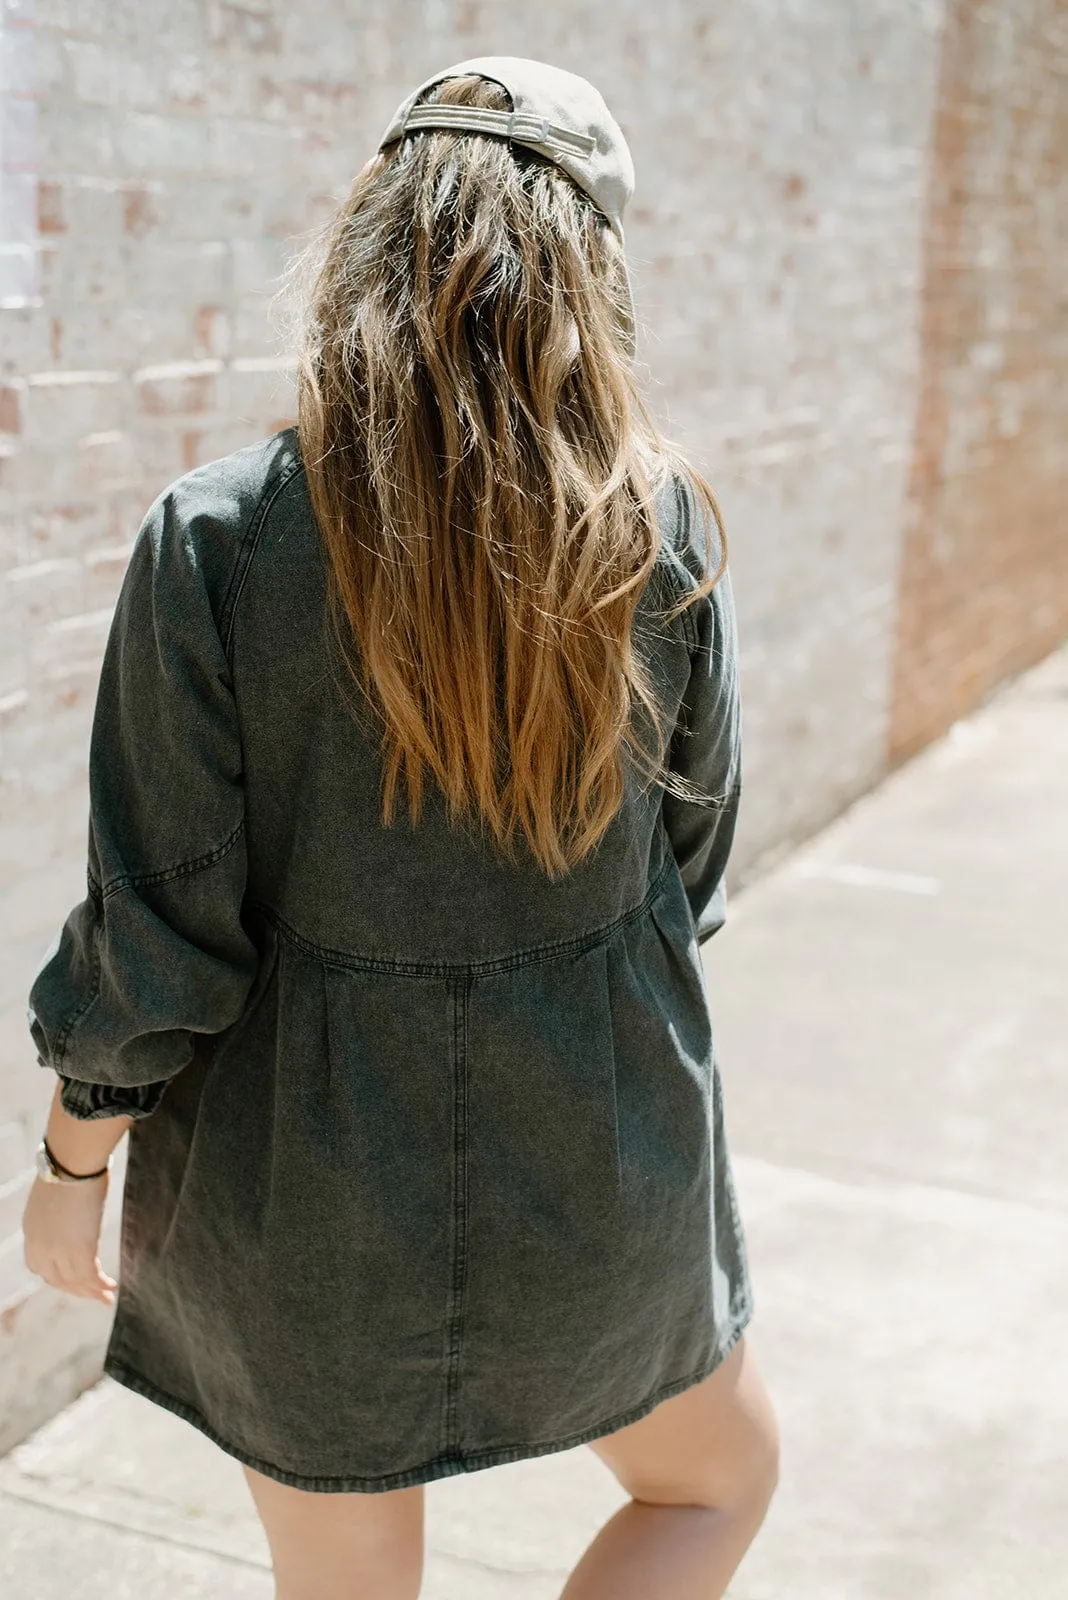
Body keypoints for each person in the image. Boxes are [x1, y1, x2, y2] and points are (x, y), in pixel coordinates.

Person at [21, 55, 779, 1600]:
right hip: (602, 1151)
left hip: (311, 1197)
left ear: (371, 244)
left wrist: (72, 1155)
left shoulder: (221, 540)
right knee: (716, 1487)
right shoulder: (663, 527)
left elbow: (163, 923)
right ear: (596, 273)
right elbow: (687, 875)